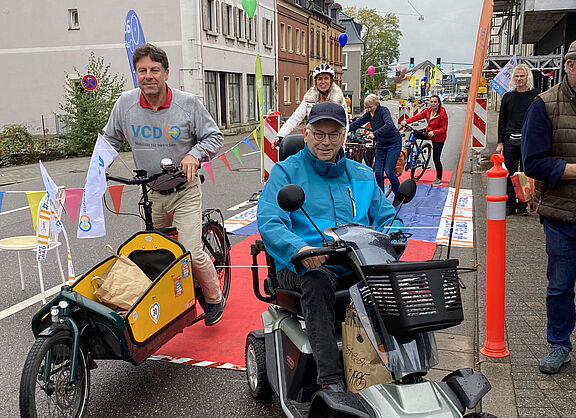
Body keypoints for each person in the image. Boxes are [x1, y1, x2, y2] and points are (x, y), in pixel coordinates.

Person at [257, 101, 403, 392]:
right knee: (317, 282)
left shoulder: (361, 175)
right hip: (302, 265)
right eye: (319, 133)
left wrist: (394, 239)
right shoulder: (286, 172)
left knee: (397, 279)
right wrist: (298, 250)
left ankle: (403, 366)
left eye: (334, 134)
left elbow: (388, 218)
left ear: (344, 136)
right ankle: (330, 381)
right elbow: (270, 221)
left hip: (356, 262)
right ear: (306, 133)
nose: (326, 141)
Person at [101, 43, 224, 326]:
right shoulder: (126, 104)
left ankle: (214, 298)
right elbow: (110, 139)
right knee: (156, 251)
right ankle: (166, 304)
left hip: (185, 190)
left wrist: (195, 154)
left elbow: (214, 138)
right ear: (136, 74)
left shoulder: (188, 104)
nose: (148, 76)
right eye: (142, 70)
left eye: (155, 70)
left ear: (166, 73)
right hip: (152, 192)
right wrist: (99, 168)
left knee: (190, 251)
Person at [521, 40, 576, 375]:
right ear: (570, 65)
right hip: (560, 214)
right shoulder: (544, 105)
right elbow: (534, 163)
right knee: (560, 286)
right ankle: (559, 345)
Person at [497, 63, 540, 216]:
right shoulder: (508, 97)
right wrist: (500, 142)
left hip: (528, 140)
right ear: (513, 79)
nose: (519, 79)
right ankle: (510, 205)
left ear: (527, 77)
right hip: (510, 140)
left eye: (522, 76)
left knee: (526, 174)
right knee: (510, 173)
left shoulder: (535, 95)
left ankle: (523, 205)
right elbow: (502, 120)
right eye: (517, 76)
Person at [273, 64, 347, 147]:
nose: (323, 82)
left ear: (331, 81)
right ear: (315, 82)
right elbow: (295, 118)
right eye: (320, 79)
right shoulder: (309, 99)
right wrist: (280, 135)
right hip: (314, 140)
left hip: (331, 142)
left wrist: (340, 146)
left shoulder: (338, 100)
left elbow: (345, 125)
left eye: (326, 78)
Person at [349, 94, 402, 196]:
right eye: (367, 107)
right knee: (378, 172)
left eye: (371, 107)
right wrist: (344, 129)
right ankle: (381, 197)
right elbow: (358, 123)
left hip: (393, 143)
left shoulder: (383, 111)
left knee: (389, 171)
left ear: (376, 104)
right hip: (381, 144)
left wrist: (375, 134)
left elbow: (389, 125)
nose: (369, 109)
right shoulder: (369, 114)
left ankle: (399, 195)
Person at [401, 94, 448, 186]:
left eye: (435, 102)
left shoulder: (442, 114)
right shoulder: (428, 111)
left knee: (436, 159)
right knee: (413, 134)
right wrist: (406, 121)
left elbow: (444, 129)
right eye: (431, 102)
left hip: (438, 138)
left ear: (439, 103)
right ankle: (414, 153)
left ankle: (439, 178)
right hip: (428, 132)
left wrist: (435, 132)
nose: (433, 103)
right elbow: (418, 117)